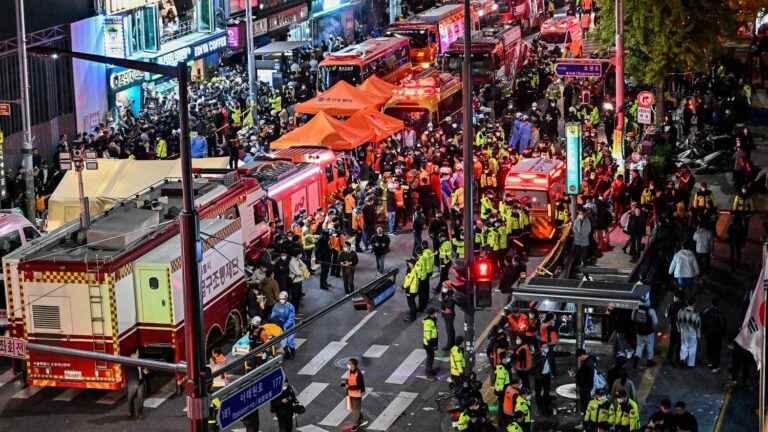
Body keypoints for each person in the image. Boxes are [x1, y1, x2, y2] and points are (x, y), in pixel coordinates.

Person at [701, 298, 726, 372]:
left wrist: (703, 331)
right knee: (717, 350)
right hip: (717, 335)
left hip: (709, 333)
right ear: (718, 305)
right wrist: (723, 334)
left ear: (711, 304)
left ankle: (710, 362)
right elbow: (723, 324)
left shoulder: (707, 312)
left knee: (710, 348)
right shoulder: (720, 313)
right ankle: (715, 365)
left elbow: (703, 321)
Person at [632, 297, 658, 368]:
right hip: (649, 333)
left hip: (639, 332)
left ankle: (636, 361)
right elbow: (655, 322)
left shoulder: (635, 309)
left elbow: (632, 318)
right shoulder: (651, 311)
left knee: (639, 346)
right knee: (650, 346)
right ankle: (649, 362)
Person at [271, 291, 297, 359]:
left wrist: (284, 326)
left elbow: (291, 318)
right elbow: (273, 315)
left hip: (290, 326)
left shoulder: (290, 306)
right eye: (280, 299)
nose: (282, 300)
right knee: (283, 342)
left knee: (290, 341)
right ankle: (287, 354)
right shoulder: (276, 306)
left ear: (286, 299)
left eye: (283, 299)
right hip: (280, 326)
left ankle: (293, 353)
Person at [533, 343, 556, 416]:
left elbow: (552, 363)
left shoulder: (550, 355)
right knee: (538, 392)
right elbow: (534, 367)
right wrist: (537, 375)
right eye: (544, 347)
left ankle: (546, 405)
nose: (546, 348)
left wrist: (553, 373)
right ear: (541, 348)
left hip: (547, 376)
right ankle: (539, 406)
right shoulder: (537, 356)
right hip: (539, 377)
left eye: (547, 347)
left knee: (546, 391)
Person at [342, 358, 366, 430]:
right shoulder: (350, 371)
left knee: (355, 410)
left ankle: (356, 424)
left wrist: (349, 387)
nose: (348, 365)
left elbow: (359, 386)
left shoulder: (358, 374)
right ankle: (360, 417)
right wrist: (345, 384)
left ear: (353, 365)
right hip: (350, 393)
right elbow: (348, 380)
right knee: (353, 409)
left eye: (349, 364)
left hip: (357, 394)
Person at [677, 297, 701, 368]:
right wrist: (698, 336)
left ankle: (682, 359)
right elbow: (698, 327)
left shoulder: (680, 312)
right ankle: (690, 364)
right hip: (692, 332)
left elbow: (678, 322)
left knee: (684, 345)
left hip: (683, 330)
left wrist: (679, 330)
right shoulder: (696, 315)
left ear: (687, 303)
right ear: (694, 304)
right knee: (692, 347)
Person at [575, 349, 596, 415]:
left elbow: (584, 377)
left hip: (585, 387)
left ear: (582, 355)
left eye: (579, 357)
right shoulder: (589, 361)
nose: (579, 359)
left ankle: (586, 419)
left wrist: (577, 377)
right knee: (586, 403)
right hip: (587, 386)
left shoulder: (587, 364)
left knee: (586, 404)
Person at [423, 307, 439, 377]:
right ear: (432, 314)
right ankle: (428, 373)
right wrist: (431, 345)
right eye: (435, 313)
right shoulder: (428, 322)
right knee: (430, 357)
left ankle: (430, 370)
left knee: (431, 357)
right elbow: (427, 335)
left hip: (431, 342)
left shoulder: (432, 320)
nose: (436, 314)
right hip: (429, 344)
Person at [440, 282, 457, 350]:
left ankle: (450, 345)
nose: (443, 288)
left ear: (448, 287)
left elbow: (448, 308)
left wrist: (442, 301)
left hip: (449, 315)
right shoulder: (445, 293)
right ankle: (451, 343)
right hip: (446, 314)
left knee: (449, 330)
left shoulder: (450, 296)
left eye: (444, 287)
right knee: (450, 330)